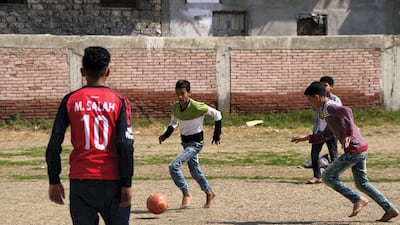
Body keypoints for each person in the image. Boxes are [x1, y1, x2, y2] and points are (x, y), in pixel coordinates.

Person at [46, 46, 134, 225]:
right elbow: (125, 145)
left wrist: (54, 180)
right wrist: (126, 184)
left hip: (81, 182)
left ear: (82, 72)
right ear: (108, 71)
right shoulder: (119, 101)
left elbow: (54, 144)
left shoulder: (70, 100)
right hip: (113, 181)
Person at [291, 81, 399, 222]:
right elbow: (327, 134)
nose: (309, 103)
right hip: (360, 148)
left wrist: (348, 133)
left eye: (309, 99)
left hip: (354, 150)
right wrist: (308, 137)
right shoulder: (325, 110)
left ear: (317, 97)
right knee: (362, 184)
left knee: (328, 176)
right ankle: (390, 209)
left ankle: (357, 199)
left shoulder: (329, 106)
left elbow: (347, 111)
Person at [158, 79, 222, 209]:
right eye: (178, 94)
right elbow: (173, 123)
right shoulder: (176, 107)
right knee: (194, 171)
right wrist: (165, 135)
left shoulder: (198, 107)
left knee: (174, 166)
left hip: (196, 143)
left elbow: (217, 114)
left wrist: (216, 134)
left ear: (189, 93)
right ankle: (209, 192)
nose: (180, 97)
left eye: (183, 93)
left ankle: (186, 193)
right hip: (185, 143)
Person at [306, 76, 342, 184]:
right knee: (314, 154)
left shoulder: (334, 100)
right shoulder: (317, 99)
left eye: (325, 85)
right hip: (319, 130)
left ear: (331, 87)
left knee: (333, 154)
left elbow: (339, 115)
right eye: (321, 85)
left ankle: (335, 176)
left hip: (331, 131)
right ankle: (317, 176)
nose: (323, 87)